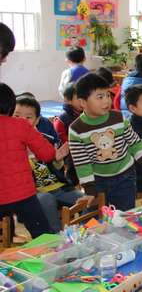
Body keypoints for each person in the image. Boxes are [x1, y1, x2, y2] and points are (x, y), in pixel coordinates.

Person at [69, 73, 142, 211]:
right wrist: (90, 190)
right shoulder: (76, 129)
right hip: (98, 181)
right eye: (100, 97)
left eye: (107, 95)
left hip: (125, 177)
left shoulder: (118, 117)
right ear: (83, 102)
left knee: (124, 216)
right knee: (95, 219)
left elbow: (134, 142)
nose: (106, 101)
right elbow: (82, 163)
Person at [13, 95, 82, 233]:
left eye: (28, 117)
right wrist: (33, 161)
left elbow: (56, 170)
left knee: (84, 199)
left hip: (56, 186)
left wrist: (57, 160)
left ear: (37, 120)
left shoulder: (45, 140)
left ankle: (85, 232)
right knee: (46, 199)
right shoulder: (10, 143)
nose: (22, 121)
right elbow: (14, 172)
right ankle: (55, 237)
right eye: (17, 116)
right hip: (32, 191)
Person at [0, 83, 54, 237]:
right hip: (22, 193)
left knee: (4, 237)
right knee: (44, 236)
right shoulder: (20, 125)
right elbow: (47, 154)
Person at [52, 83, 82, 186]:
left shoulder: (87, 114)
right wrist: (77, 146)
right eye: (78, 98)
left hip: (84, 146)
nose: (82, 101)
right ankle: (71, 185)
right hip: (67, 151)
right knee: (75, 162)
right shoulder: (62, 117)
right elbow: (60, 138)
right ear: (68, 100)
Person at [115, 53, 142, 118]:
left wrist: (119, 115)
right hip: (140, 118)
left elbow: (116, 99)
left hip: (124, 117)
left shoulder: (126, 80)